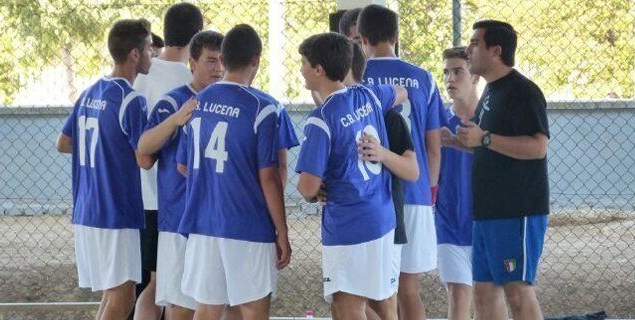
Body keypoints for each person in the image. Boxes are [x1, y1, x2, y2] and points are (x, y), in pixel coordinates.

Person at [175, 24, 291, 320]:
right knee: (251, 308)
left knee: (208, 308)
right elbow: (271, 175)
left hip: (203, 223)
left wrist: (216, 185)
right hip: (248, 224)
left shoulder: (196, 102)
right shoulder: (265, 107)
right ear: (257, 60)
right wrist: (283, 231)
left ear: (223, 60)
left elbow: (183, 165)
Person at [56, 18, 153, 320]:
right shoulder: (131, 99)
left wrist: (103, 152)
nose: (154, 54)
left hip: (87, 208)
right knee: (123, 296)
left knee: (112, 295)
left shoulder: (90, 93)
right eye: (150, 48)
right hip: (115, 211)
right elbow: (144, 157)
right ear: (135, 54)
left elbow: (64, 142)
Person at [296, 32, 396, 319]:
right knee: (384, 301)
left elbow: (307, 187)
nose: (300, 69)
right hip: (381, 215)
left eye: (303, 63)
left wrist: (317, 190)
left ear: (319, 70)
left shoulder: (321, 118)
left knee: (346, 307)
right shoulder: (368, 94)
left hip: (349, 224)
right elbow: (399, 92)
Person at [456, 20, 550, 320]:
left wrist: (484, 137)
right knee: (484, 292)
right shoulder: (490, 91)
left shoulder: (523, 91)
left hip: (515, 210)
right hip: (488, 211)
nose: (468, 49)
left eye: (474, 43)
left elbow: (538, 147)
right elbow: (490, 145)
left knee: (517, 292)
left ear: (495, 50)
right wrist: (460, 143)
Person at [358, 5, 443, 320]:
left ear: (362, 38)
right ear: (396, 36)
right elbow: (434, 147)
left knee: (370, 290)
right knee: (409, 290)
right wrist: (429, 192)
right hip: (416, 190)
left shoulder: (359, 78)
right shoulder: (423, 77)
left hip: (373, 195)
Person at [137, 30, 224, 320]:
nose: (218, 68)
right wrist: (175, 121)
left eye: (223, 60)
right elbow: (143, 153)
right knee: (180, 305)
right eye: (211, 61)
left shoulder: (228, 101)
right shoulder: (173, 102)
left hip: (217, 221)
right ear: (193, 63)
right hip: (179, 218)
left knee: (218, 302)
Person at [131, 4, 203, 320]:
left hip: (141, 195)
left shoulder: (143, 74)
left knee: (155, 282)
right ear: (198, 35)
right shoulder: (196, 77)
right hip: (175, 196)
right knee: (174, 286)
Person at [435, 46, 480, 320]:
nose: (450, 79)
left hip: (485, 221)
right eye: (446, 73)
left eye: (457, 71)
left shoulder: (490, 120)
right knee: (458, 293)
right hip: (449, 219)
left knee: (488, 296)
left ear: (475, 75)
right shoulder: (438, 120)